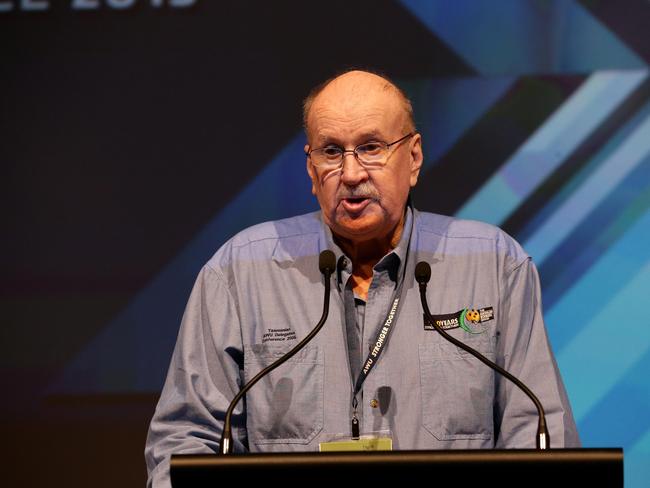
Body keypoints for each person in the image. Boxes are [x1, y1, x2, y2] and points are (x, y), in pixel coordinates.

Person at [145, 69, 580, 487]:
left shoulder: (493, 265)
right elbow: (186, 443)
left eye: (371, 147)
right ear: (311, 169)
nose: (351, 174)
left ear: (413, 158)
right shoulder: (240, 272)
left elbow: (540, 433)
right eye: (332, 152)